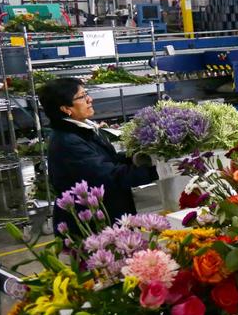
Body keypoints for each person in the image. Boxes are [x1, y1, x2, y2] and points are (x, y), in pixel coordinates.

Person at [39, 78, 157, 236]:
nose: (90, 99)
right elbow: (109, 177)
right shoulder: (68, 142)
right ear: (66, 108)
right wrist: (156, 172)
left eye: (86, 94)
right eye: (82, 97)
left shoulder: (81, 129)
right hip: (93, 226)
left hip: (107, 216)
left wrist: (140, 157)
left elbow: (108, 160)